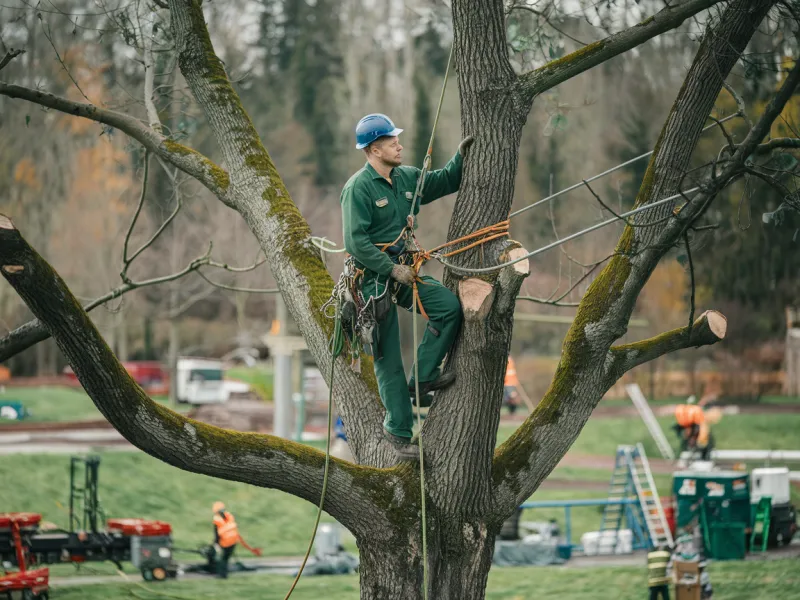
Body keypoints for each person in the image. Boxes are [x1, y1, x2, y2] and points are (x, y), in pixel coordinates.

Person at [340, 113, 474, 462]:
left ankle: (423, 379)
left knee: (447, 307)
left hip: (404, 272)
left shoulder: (407, 178)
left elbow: (445, 181)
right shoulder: (359, 188)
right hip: (371, 282)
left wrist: (461, 157)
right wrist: (390, 269)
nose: (399, 145)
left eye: (397, 139)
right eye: (391, 141)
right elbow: (356, 242)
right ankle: (398, 432)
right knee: (388, 360)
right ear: (372, 149)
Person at [212, 502, 262, 579]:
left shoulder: (217, 519)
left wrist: (216, 544)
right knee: (226, 557)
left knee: (223, 559)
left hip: (225, 541)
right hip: (234, 540)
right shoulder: (229, 516)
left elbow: (217, 534)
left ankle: (222, 575)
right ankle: (222, 574)